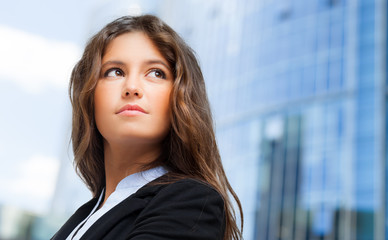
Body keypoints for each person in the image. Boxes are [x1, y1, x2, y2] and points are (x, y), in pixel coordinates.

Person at [51, 14, 243, 240]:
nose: (132, 87)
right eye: (115, 71)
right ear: (90, 97)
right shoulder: (82, 218)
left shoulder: (192, 202)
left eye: (156, 73)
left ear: (180, 99)